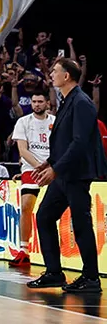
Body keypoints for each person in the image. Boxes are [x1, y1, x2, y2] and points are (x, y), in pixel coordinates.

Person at [27, 58, 105, 293]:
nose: (51, 74)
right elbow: (65, 141)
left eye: (55, 71)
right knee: (44, 216)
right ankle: (54, 272)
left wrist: (56, 169)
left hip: (76, 173)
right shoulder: (68, 99)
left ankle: (91, 277)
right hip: (63, 172)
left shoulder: (81, 102)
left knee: (81, 222)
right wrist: (49, 163)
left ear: (67, 76)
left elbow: (80, 143)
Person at [8, 91, 54, 266]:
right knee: (26, 205)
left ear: (47, 103)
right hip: (32, 166)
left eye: (40, 101)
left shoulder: (55, 122)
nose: (36, 104)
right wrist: (39, 167)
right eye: (34, 101)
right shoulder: (23, 121)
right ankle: (24, 250)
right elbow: (22, 150)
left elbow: (60, 146)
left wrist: (50, 166)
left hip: (52, 167)